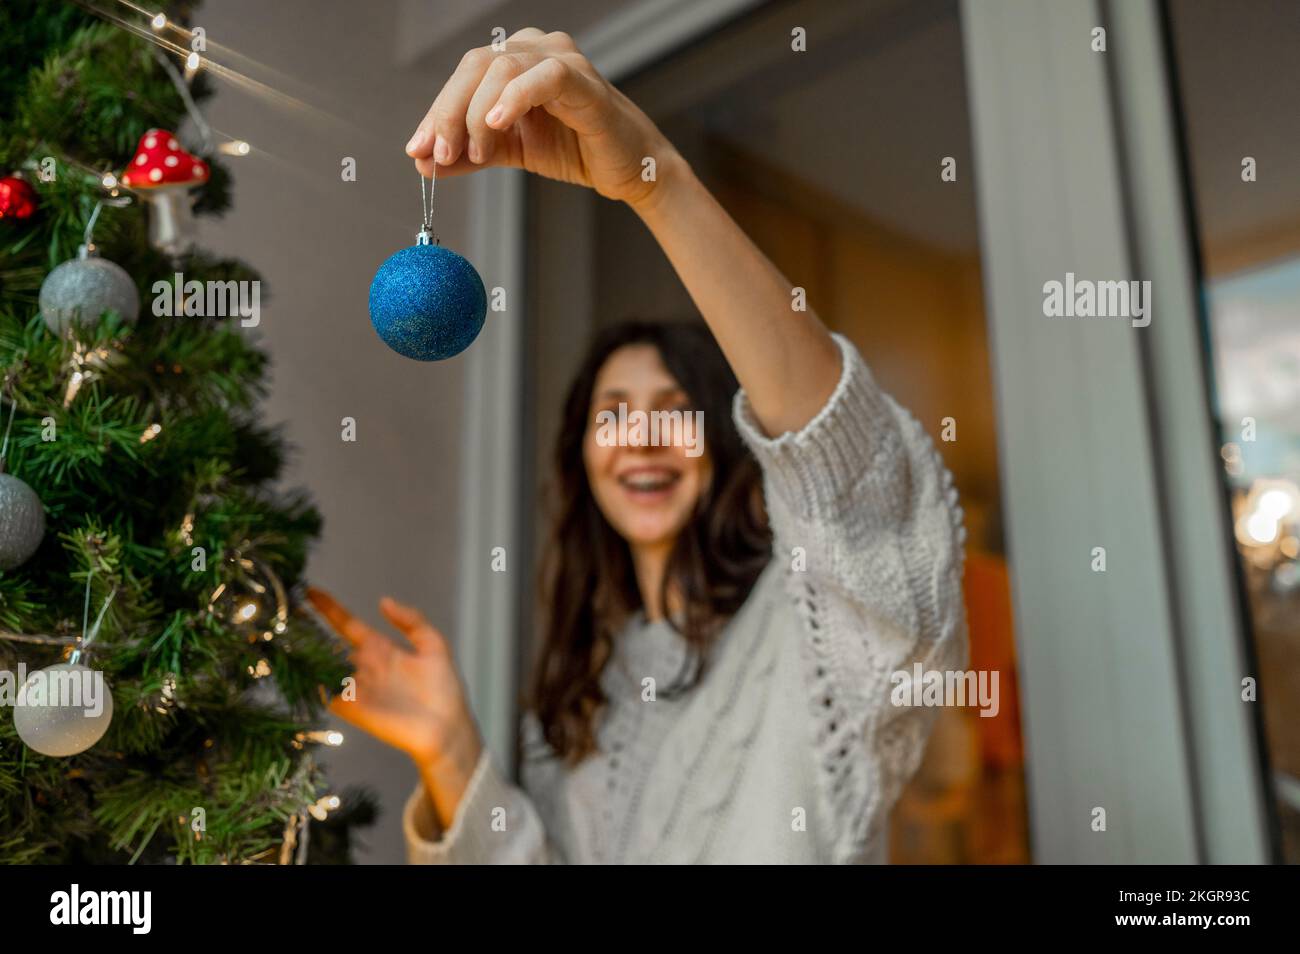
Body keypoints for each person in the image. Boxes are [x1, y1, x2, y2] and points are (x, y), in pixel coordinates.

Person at [307, 27, 967, 864]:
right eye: (613, 412)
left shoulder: (815, 629)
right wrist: (450, 749)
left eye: (673, 409)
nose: (642, 438)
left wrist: (657, 183)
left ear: (730, 446)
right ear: (584, 455)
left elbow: (855, 488)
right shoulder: (578, 695)